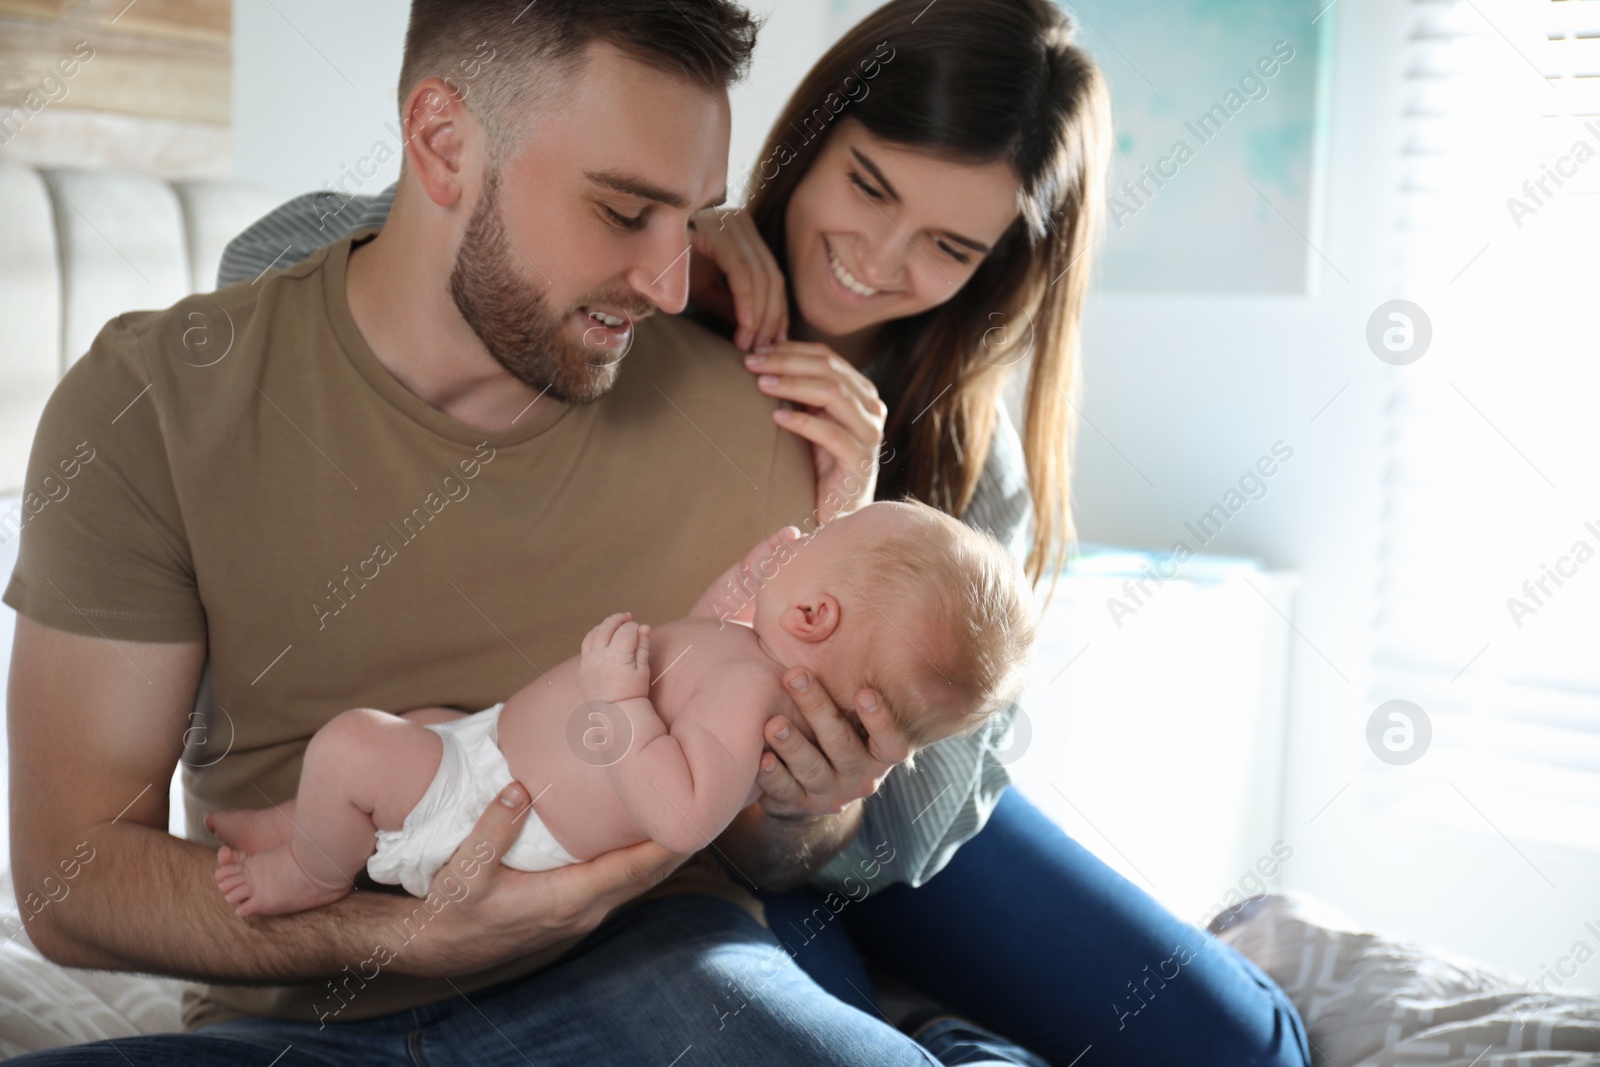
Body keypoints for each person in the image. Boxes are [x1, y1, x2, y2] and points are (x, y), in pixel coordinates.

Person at [218, 2, 1314, 1065]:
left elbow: (917, 838)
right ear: (810, 136)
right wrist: (668, 252)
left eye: (947, 244)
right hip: (686, 821)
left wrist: (819, 793)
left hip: (839, 836)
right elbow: (265, 264)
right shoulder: (641, 270)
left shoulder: (975, 455)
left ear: (1001, 268)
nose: (877, 259)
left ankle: (953, 1031)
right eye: (866, 184)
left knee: (1245, 1045)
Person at [1, 1, 1054, 1063]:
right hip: (305, 1021)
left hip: (655, 969)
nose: (672, 282)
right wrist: (400, 931)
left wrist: (805, 802)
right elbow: (68, 881)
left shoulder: (768, 428)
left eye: (693, 217)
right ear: (441, 143)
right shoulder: (151, 406)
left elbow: (774, 843)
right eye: (623, 210)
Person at [208, 502, 1034, 918]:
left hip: (505, 816)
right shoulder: (748, 661)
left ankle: (308, 874)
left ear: (812, 616)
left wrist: (619, 699)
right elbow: (694, 672)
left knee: (354, 747)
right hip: (492, 753)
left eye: (820, 536)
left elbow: (681, 813)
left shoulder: (754, 696)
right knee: (410, 728)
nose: (800, 536)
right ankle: (289, 824)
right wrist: (737, 596)